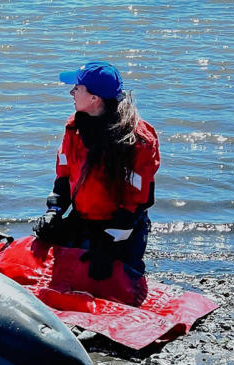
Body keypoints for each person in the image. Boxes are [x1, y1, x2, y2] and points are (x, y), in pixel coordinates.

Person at [32, 61, 160, 282]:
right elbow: (63, 176)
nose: (71, 92)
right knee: (44, 255)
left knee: (108, 279)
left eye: (77, 88)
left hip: (121, 224)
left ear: (94, 98)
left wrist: (111, 240)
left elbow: (138, 200)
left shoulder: (138, 140)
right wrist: (54, 212)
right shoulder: (74, 128)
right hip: (84, 216)